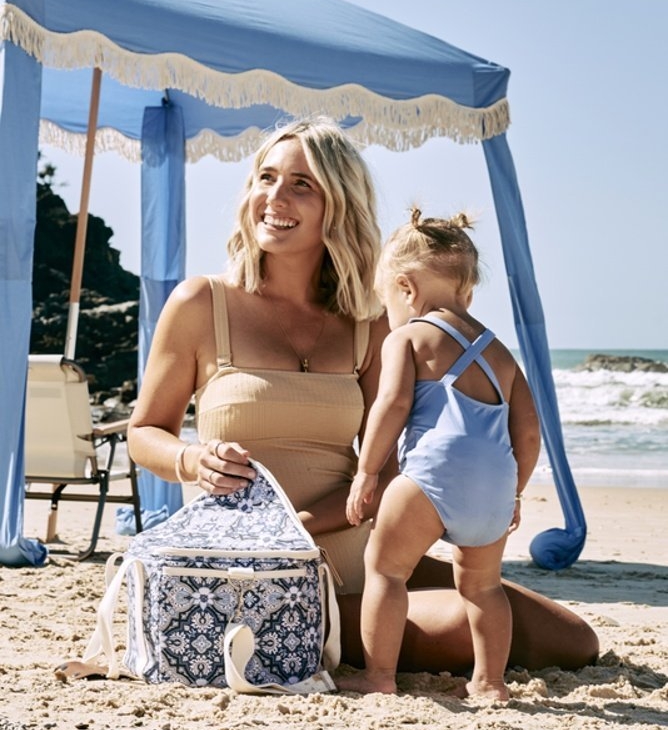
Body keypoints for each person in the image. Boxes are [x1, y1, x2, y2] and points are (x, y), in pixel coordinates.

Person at [127, 115, 599, 681]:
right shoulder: (201, 303)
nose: (275, 197)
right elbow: (144, 433)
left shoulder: (371, 324)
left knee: (571, 637)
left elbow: (394, 465)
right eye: (266, 178)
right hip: (260, 567)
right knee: (468, 625)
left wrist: (303, 525)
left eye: (302, 184)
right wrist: (191, 459)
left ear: (338, 205)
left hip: (364, 555)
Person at [340, 209, 540, 700]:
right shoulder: (501, 354)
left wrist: (367, 471)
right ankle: (489, 681)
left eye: (386, 301)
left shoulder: (408, 337)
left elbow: (392, 405)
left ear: (406, 289)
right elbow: (528, 433)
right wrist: (514, 492)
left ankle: (378, 677)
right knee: (484, 587)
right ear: (466, 291)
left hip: (430, 475)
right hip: (493, 486)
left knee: (386, 570)